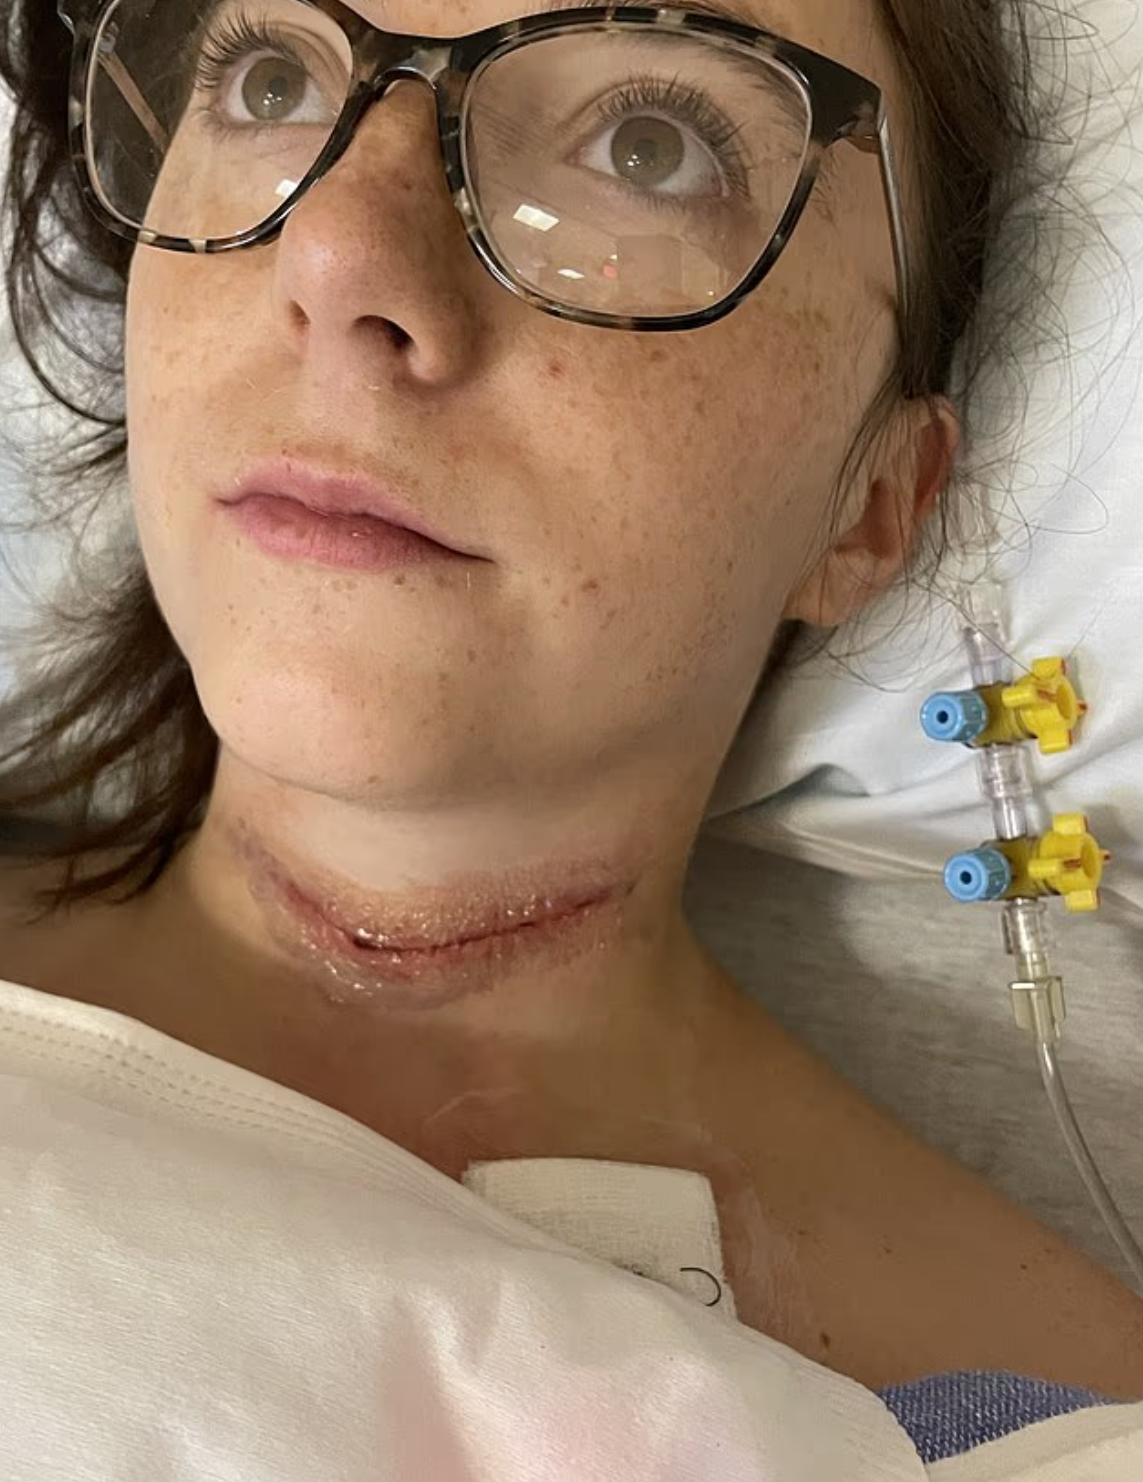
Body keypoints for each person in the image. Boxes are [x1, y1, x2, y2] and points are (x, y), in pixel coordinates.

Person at [0, 0, 1139, 1402]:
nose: (339, 252)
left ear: (870, 507)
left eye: (649, 146)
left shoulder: (1051, 1427)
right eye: (272, 78)